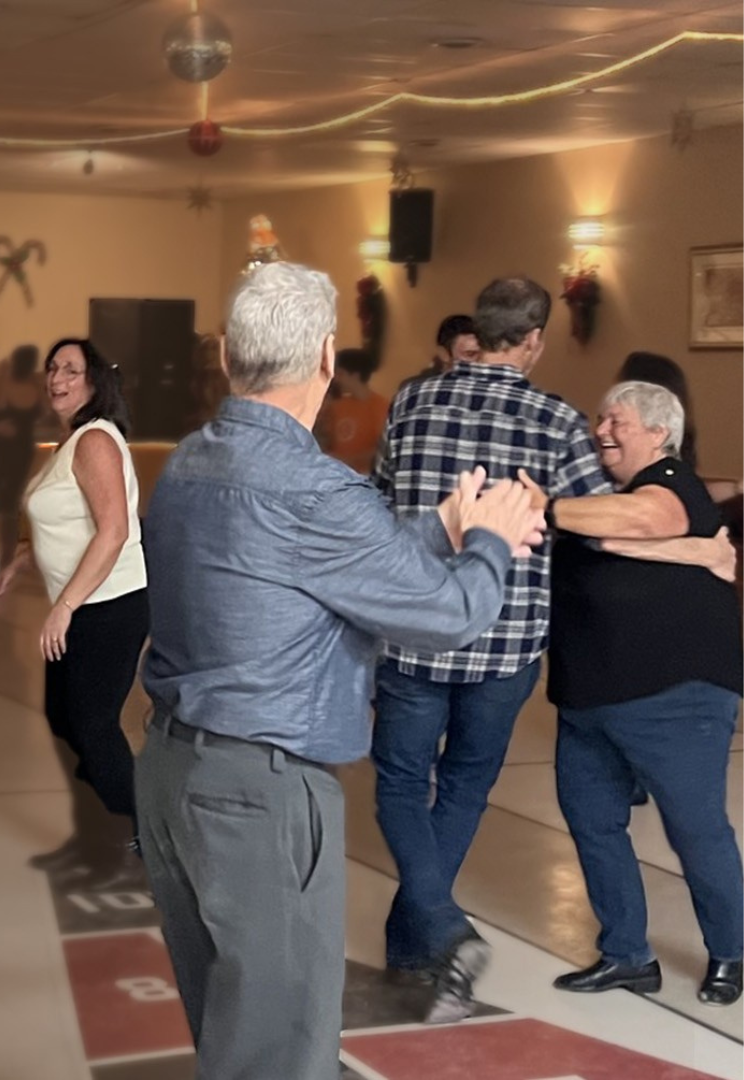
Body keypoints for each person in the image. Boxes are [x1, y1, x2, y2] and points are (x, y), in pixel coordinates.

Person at [138, 262, 544, 1080]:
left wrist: (441, 526)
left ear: (229, 359)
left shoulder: (189, 463)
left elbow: (311, 560)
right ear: (326, 356)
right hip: (262, 795)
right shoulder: (314, 491)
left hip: (176, 776)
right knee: (279, 1055)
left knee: (234, 1034)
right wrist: (492, 536)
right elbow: (450, 613)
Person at [370, 277, 616, 1024]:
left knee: (401, 783)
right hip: (504, 644)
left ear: (475, 330)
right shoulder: (558, 422)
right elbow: (595, 523)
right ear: (534, 340)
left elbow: (381, 502)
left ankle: (424, 934)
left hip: (412, 631)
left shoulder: (412, 401)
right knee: (466, 786)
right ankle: (433, 931)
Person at [539, 381, 743, 1007]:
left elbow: (649, 518)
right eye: (599, 417)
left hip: (674, 699)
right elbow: (627, 531)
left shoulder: (671, 481)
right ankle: (627, 955)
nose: (602, 428)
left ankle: (732, 953)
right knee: (594, 824)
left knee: (694, 829)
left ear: (658, 432)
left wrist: (540, 508)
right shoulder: (611, 500)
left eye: (617, 420)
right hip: (590, 701)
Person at [0, 339, 148, 884]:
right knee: (65, 720)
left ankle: (153, 837)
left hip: (109, 606)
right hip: (83, 605)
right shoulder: (71, 443)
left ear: (94, 382)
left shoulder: (97, 441)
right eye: (53, 368)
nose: (57, 377)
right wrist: (23, 558)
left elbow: (114, 532)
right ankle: (96, 838)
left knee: (92, 724)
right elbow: (69, 524)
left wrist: (63, 606)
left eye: (71, 369)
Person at [0, 344, 47, 558]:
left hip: (20, 451)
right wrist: (2, 374)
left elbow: (46, 413)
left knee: (10, 506)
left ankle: (4, 556)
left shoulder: (33, 385)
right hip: (3, 451)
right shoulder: (13, 384)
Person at [316, 346, 389, 474]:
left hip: (364, 478)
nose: (336, 379)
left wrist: (348, 460)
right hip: (336, 475)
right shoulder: (337, 405)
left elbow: (382, 449)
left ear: (355, 375)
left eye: (340, 374)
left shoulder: (380, 406)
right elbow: (327, 440)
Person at [397, 314, 479, 392]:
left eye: (482, 354)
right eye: (470, 354)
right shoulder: (416, 390)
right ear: (444, 354)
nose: (479, 361)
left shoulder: (484, 387)